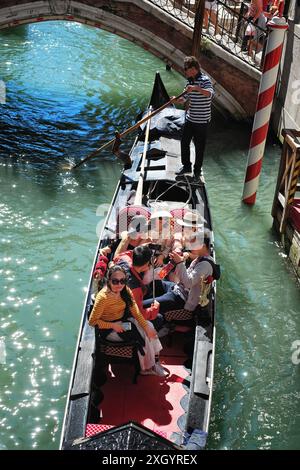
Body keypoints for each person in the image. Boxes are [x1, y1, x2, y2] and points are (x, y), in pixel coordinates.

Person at [88, 265, 167, 376]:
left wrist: (145, 326)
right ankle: (147, 367)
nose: (119, 284)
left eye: (123, 281)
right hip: (110, 329)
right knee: (142, 335)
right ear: (109, 280)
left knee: (148, 326)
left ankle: (154, 360)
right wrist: (113, 325)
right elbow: (92, 321)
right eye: (115, 281)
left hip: (123, 322)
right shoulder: (103, 298)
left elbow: (135, 311)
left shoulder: (126, 291)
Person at [174, 56, 214, 182]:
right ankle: (186, 166)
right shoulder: (189, 82)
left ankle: (197, 171)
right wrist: (176, 100)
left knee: (199, 147)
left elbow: (210, 94)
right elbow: (184, 99)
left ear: (193, 68)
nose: (185, 71)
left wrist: (196, 88)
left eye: (186, 69)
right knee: (184, 142)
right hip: (190, 119)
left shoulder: (205, 80)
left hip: (202, 121)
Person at [113, 245, 160, 322]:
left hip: (118, 296)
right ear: (146, 264)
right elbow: (138, 314)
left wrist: (142, 250)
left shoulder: (124, 259)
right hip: (123, 313)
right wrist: (153, 310)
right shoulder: (135, 288)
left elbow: (126, 254)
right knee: (159, 318)